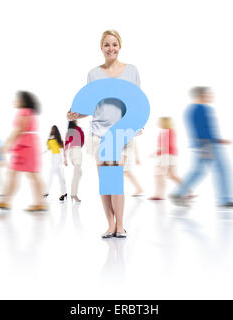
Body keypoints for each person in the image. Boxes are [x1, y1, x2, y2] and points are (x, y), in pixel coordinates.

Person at [67, 30, 140, 238]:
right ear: (101, 48)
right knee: (106, 181)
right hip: (98, 132)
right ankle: (110, 224)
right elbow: (91, 105)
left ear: (120, 46)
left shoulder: (131, 71)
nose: (111, 48)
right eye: (107, 45)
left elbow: (137, 101)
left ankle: (120, 224)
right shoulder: (93, 74)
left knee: (115, 178)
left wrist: (137, 123)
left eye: (114, 44)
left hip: (121, 131)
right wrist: (74, 114)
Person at [169, 87, 233, 207]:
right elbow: (202, 129)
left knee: (198, 171)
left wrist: (219, 140)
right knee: (222, 169)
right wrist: (206, 145)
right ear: (201, 95)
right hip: (208, 144)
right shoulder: (201, 108)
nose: (211, 96)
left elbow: (200, 128)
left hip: (204, 144)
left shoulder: (190, 109)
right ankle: (225, 200)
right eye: (209, 94)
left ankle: (178, 193)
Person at [0, 91, 47, 211]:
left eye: (15, 99)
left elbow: (19, 129)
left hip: (25, 146)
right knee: (27, 174)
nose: (14, 101)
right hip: (27, 144)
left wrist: (6, 144)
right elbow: (20, 129)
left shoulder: (24, 111)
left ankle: (7, 201)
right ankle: (38, 202)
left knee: (21, 174)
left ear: (21, 100)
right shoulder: (29, 112)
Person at [149, 117, 182, 200]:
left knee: (159, 175)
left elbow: (164, 146)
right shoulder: (171, 131)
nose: (157, 123)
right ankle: (188, 191)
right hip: (171, 155)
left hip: (165, 156)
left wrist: (154, 153)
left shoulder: (165, 132)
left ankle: (159, 194)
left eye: (159, 121)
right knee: (173, 175)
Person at [44, 125, 67, 201]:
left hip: (58, 158)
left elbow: (63, 148)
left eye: (53, 129)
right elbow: (47, 148)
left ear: (56, 130)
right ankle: (64, 193)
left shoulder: (58, 138)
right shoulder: (49, 139)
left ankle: (46, 192)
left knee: (51, 173)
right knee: (60, 177)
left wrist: (65, 159)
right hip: (53, 158)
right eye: (51, 129)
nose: (52, 130)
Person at [64, 120, 84, 203]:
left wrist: (65, 158)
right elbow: (82, 140)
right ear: (75, 121)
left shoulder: (69, 131)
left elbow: (66, 144)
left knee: (79, 173)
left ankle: (73, 193)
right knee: (76, 174)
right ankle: (73, 194)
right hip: (77, 150)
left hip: (70, 152)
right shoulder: (78, 129)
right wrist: (79, 145)